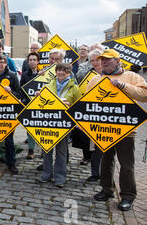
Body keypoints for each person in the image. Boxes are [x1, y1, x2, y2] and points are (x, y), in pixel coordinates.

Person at [89, 49, 147, 211]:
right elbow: (86, 103)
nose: (104, 62)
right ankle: (107, 190)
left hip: (125, 129)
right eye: (102, 60)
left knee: (126, 163)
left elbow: (144, 94)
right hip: (103, 129)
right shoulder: (95, 79)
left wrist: (123, 86)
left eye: (108, 59)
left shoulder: (131, 77)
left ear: (118, 60)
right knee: (106, 161)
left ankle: (128, 195)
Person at [37, 63, 80, 188]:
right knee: (47, 150)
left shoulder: (74, 88)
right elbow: (43, 102)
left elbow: (78, 107)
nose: (61, 72)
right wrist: (39, 96)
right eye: (59, 70)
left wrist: (69, 106)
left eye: (65, 71)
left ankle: (60, 178)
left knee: (61, 151)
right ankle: (46, 174)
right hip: (49, 122)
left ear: (69, 72)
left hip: (64, 123)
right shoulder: (49, 85)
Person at [76, 49, 103, 182]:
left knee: (105, 150)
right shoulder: (91, 77)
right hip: (93, 115)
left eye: (97, 60)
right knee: (94, 146)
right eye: (92, 61)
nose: (95, 63)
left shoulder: (109, 75)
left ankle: (106, 175)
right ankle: (95, 173)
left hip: (107, 117)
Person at [20, 52, 41, 159]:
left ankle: (43, 151)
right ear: (28, 62)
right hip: (29, 104)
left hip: (42, 106)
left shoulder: (43, 74)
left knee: (42, 128)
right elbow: (21, 90)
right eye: (30, 60)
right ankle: (31, 150)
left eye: (34, 59)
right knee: (30, 129)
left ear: (38, 62)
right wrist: (24, 103)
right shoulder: (24, 75)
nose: (32, 61)